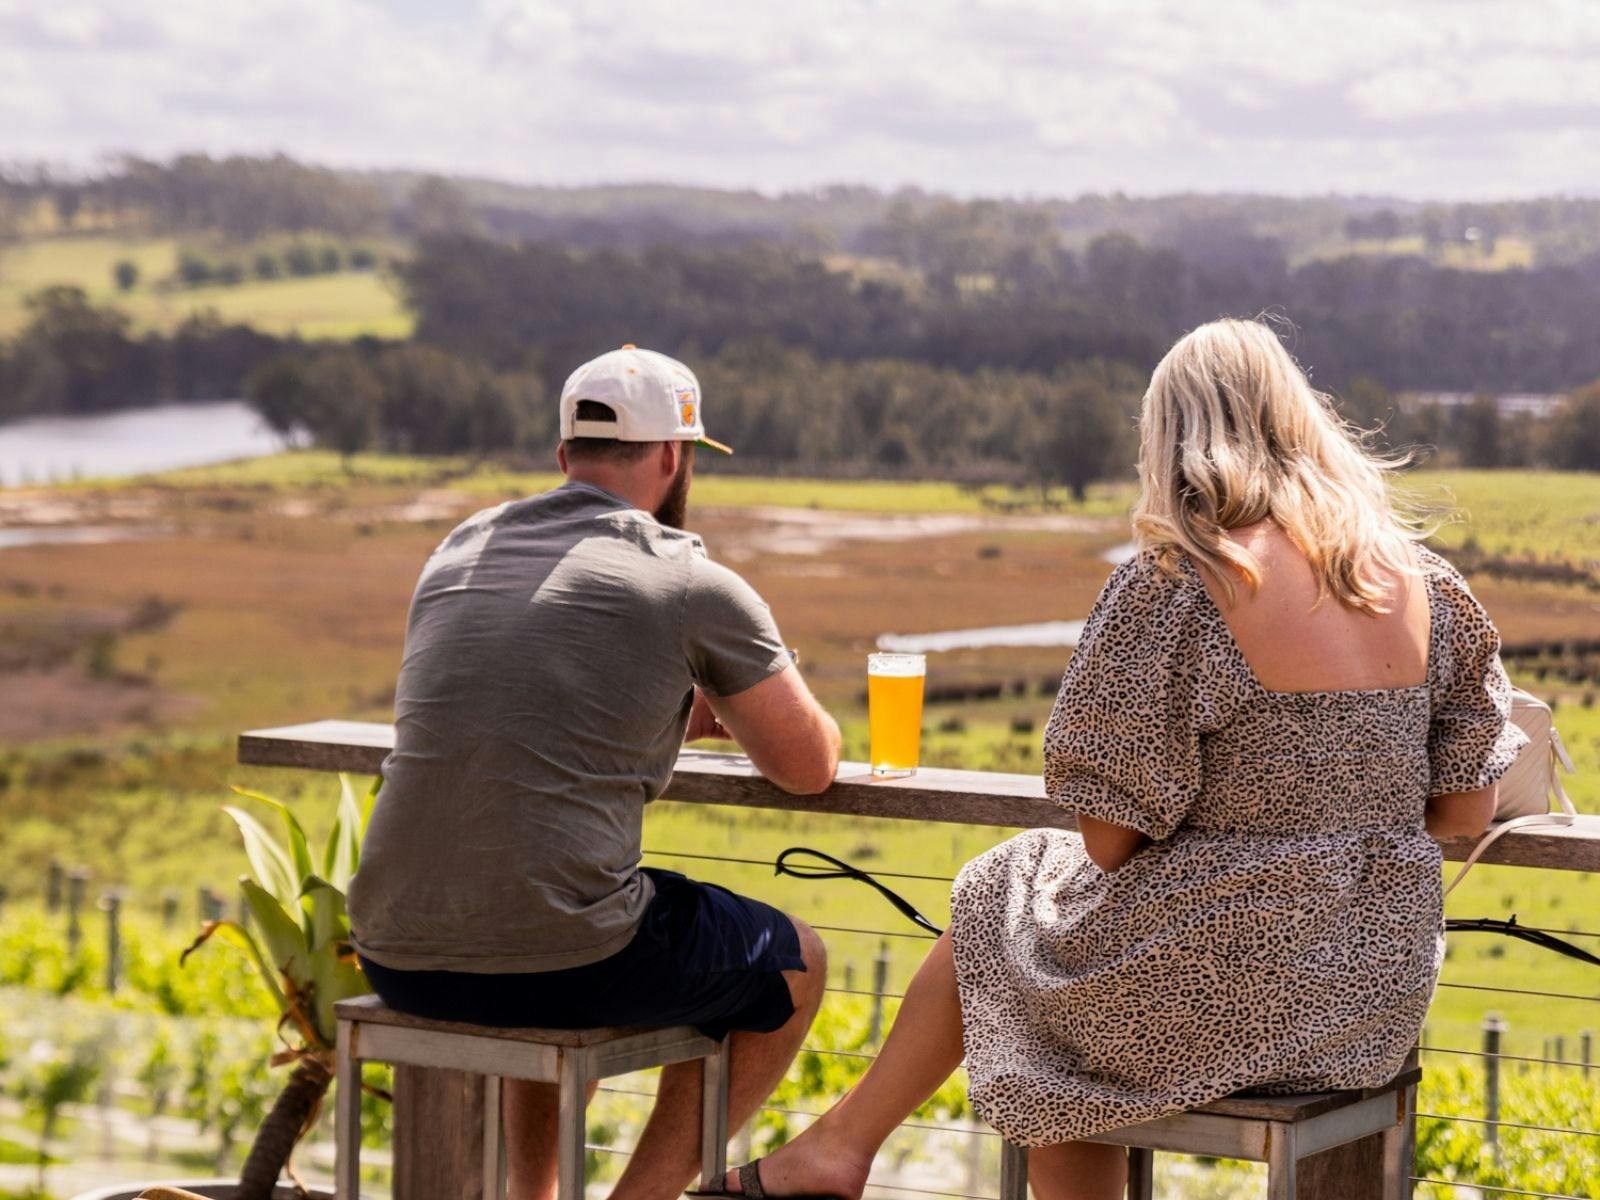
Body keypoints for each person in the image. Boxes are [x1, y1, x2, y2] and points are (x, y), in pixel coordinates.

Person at [695, 318, 1527, 1200]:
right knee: (1051, 975)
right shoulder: (1432, 588)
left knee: (1009, 900)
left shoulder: (1183, 585)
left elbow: (1108, 840)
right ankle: (835, 1150)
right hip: (1370, 998)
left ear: (1171, 441)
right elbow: (1463, 817)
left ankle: (838, 1148)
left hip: (1233, 979)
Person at [348, 344, 841, 1200]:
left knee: (542, 924)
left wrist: (661, 704)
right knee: (796, 961)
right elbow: (807, 766)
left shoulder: (461, 549)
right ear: (673, 457)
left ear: (564, 457)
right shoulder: (689, 579)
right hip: (564, 956)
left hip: (393, 948)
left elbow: (513, 695)